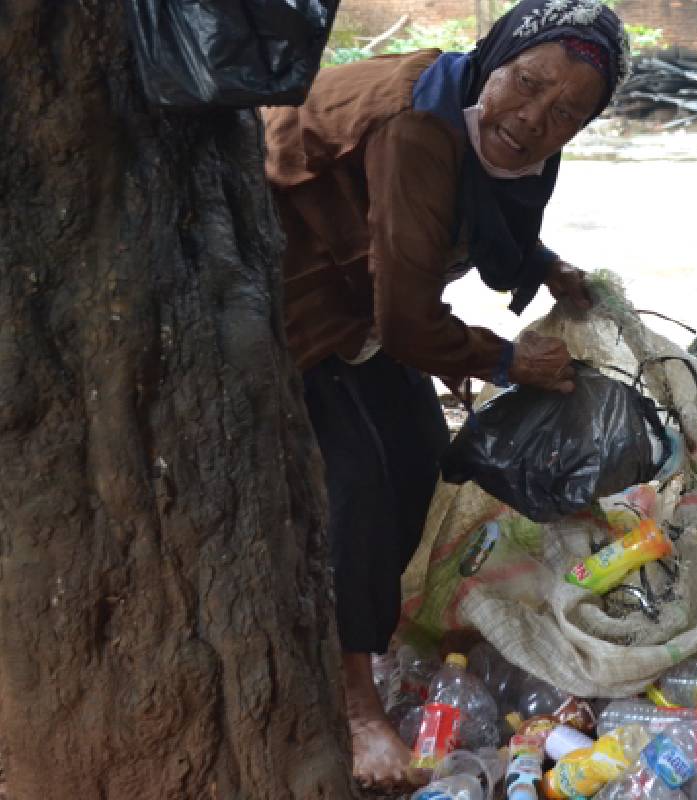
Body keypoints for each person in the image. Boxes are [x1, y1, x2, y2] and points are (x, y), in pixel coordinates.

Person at [261, 0, 630, 789]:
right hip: (299, 294)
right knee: (357, 480)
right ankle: (353, 702)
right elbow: (406, 323)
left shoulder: (506, 135)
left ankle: (375, 634)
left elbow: (487, 221)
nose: (532, 119)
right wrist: (505, 361)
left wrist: (543, 267)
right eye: (526, 85)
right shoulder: (420, 128)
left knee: (429, 460)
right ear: (491, 58)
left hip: (368, 287)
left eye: (566, 112)